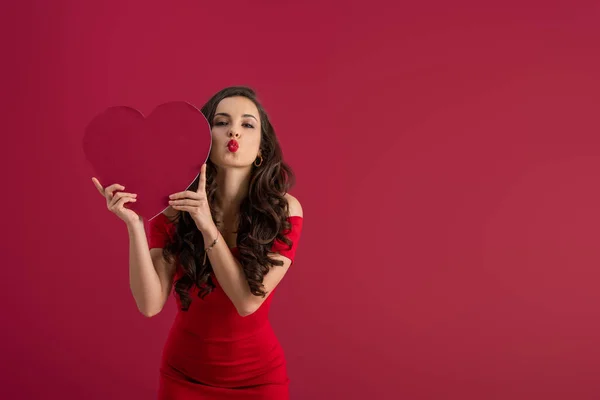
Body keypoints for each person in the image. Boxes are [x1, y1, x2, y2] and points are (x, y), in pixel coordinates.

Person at [91, 86, 304, 399]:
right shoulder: (174, 210)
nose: (234, 130)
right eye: (221, 122)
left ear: (261, 149)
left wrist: (207, 227)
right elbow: (150, 305)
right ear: (202, 142)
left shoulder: (283, 211)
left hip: (258, 381)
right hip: (184, 377)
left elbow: (246, 303)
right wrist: (136, 226)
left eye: (247, 124)